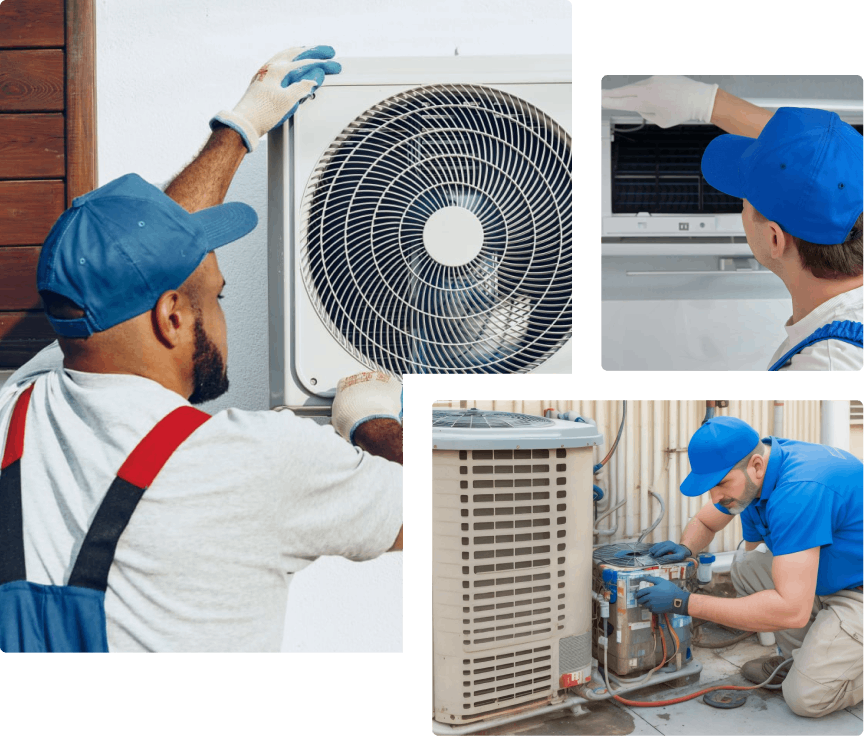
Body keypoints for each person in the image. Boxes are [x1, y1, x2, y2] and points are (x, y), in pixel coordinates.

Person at [0, 46, 403, 653]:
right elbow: (454, 505)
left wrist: (240, 126)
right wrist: (370, 422)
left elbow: (147, 260)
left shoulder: (15, 408)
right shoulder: (258, 460)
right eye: (219, 296)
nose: (221, 312)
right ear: (171, 317)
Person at [601, 75, 864, 371]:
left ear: (775, 239)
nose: (742, 210)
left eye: (743, 201)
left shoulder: (825, 363)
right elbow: (823, 163)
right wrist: (706, 103)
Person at [641, 416, 864, 717]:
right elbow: (706, 521)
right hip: (835, 577)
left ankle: (826, 672)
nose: (715, 497)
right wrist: (687, 548)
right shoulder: (757, 475)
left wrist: (684, 602)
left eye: (721, 484)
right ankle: (802, 661)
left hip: (858, 592)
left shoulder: (799, 490)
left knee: (806, 699)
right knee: (749, 565)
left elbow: (792, 611)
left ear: (757, 466)